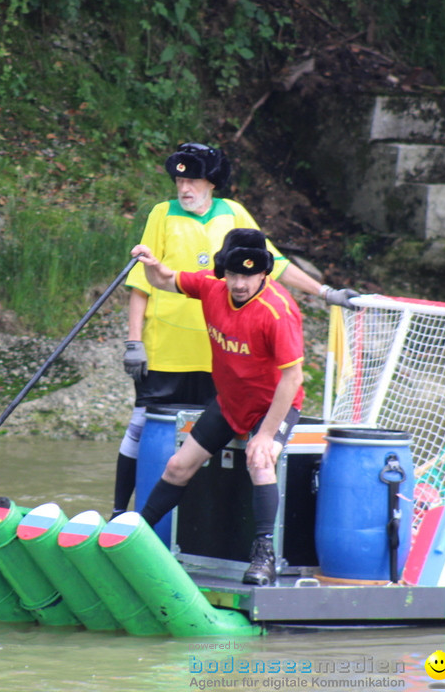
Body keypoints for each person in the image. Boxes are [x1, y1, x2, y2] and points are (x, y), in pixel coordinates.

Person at [113, 141, 357, 520]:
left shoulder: (236, 216)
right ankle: (120, 514)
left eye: (193, 180)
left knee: (232, 449)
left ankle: (224, 530)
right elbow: (149, 281)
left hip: (219, 357)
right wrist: (134, 341)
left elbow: (272, 263)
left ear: (212, 182)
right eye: (179, 181)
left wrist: (324, 291)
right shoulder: (163, 214)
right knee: (142, 427)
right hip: (167, 347)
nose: (184, 188)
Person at [130, 228, 306, 586]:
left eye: (249, 275)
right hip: (230, 402)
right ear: (222, 271)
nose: (240, 284)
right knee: (178, 466)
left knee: (260, 460)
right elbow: (162, 279)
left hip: (274, 405)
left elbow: (293, 379)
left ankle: (263, 555)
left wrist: (267, 435)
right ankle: (135, 534)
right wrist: (149, 262)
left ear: (263, 274)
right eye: (234, 274)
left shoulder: (278, 312)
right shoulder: (211, 288)